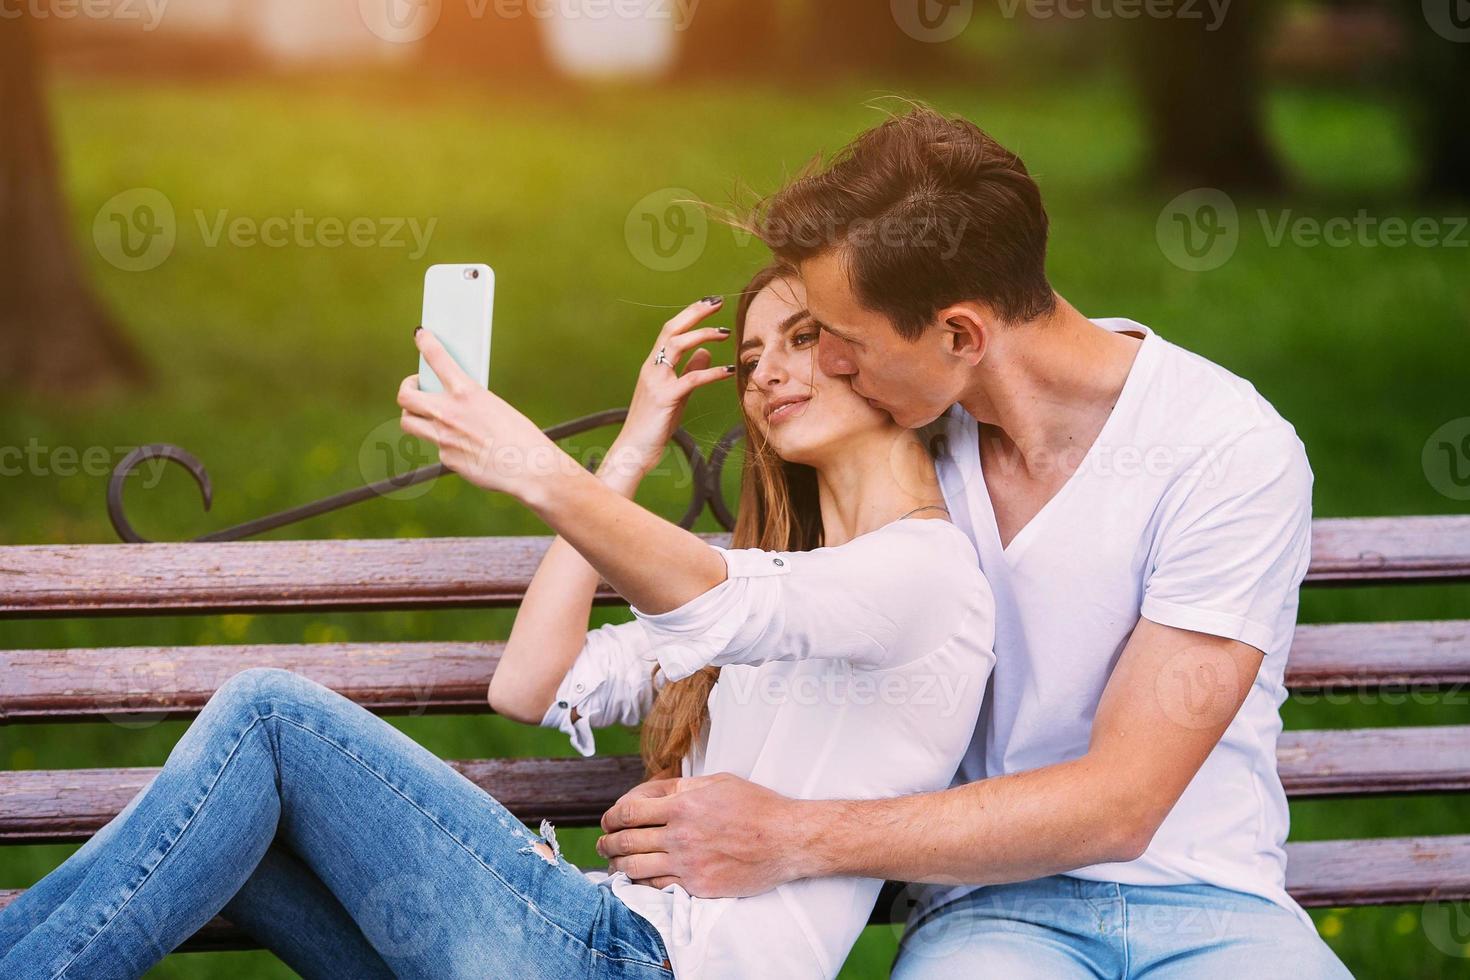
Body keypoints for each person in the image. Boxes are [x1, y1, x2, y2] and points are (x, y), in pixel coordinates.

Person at [0, 267, 995, 980]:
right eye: (751, 353)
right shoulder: (787, 587)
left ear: (881, 356)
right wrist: (628, 453)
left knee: (271, 717)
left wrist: (532, 467)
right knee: (256, 839)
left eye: (804, 335)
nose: (769, 369)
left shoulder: (922, 573)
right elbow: (529, 683)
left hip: (632, 960)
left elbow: (719, 598)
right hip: (589, 942)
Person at [595, 107, 1353, 978]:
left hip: (1208, 904)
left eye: (846, 341)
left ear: (959, 335)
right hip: (987, 913)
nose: (831, 368)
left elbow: (1119, 806)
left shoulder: (1224, 447)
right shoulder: (903, 449)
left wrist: (788, 835)